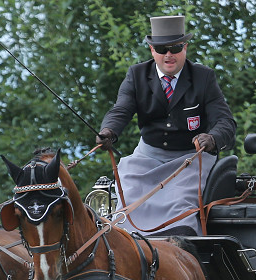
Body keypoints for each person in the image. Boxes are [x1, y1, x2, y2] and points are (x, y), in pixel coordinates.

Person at [97, 15, 236, 236]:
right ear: (152, 50)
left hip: (191, 160)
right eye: (162, 49)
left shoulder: (204, 77)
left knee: (181, 203)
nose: (168, 54)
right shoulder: (137, 74)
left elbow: (225, 122)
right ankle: (127, 248)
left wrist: (212, 138)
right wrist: (108, 131)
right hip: (146, 158)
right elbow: (121, 110)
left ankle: (181, 250)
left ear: (185, 47)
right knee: (127, 198)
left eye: (175, 47)